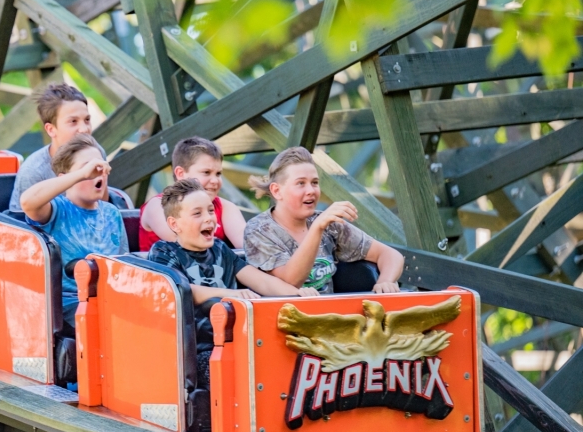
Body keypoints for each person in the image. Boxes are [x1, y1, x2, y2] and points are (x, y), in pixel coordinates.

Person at [148, 179, 318, 388]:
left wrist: (298, 295)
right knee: (233, 371)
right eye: (197, 213)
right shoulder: (164, 252)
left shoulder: (220, 249)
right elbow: (178, 290)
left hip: (239, 343)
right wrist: (231, 294)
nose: (209, 218)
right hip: (198, 350)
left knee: (289, 362)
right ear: (175, 224)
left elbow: (263, 282)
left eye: (211, 211)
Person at [245, 147, 404, 295]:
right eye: (300, 183)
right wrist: (317, 228)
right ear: (276, 191)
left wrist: (385, 282)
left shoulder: (329, 225)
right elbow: (291, 282)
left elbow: (390, 255)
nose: (311, 190)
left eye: (314, 182)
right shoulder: (259, 230)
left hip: (332, 312)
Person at [21, 134, 127, 331]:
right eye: (89, 168)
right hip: (70, 305)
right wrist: (82, 174)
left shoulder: (112, 213)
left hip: (108, 300)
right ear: (66, 178)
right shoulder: (57, 210)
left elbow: (124, 265)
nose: (97, 173)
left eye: (100, 167)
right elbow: (28, 202)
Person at [139, 137, 247, 251]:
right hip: (164, 262)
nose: (215, 180)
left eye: (218, 174)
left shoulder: (225, 208)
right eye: (206, 172)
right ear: (181, 173)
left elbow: (247, 244)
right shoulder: (158, 206)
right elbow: (182, 240)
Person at [9, 83, 94, 212]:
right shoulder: (33, 172)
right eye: (73, 121)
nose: (84, 129)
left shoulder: (96, 153)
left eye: (87, 120)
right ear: (51, 129)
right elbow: (27, 221)